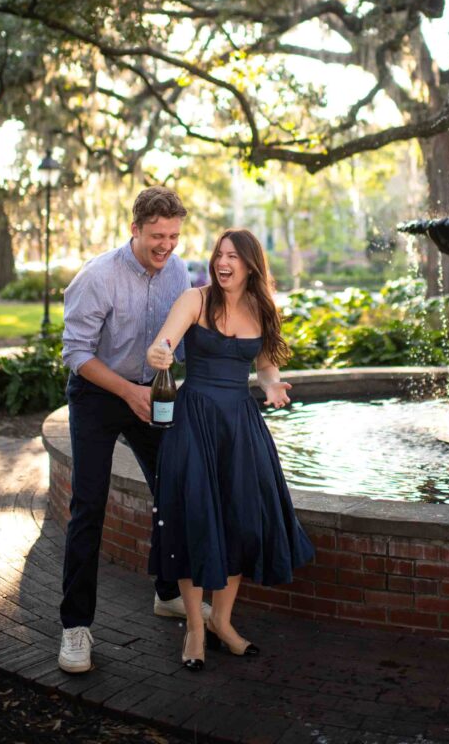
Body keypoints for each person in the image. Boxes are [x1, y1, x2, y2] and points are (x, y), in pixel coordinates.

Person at [58, 185, 210, 674]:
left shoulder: (178, 271)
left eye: (173, 235)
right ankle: (75, 627)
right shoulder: (97, 277)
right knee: (89, 505)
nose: (166, 245)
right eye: (156, 236)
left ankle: (167, 593)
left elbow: (182, 342)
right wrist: (127, 391)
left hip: (153, 395)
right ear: (134, 229)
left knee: (174, 492)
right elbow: (77, 354)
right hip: (100, 396)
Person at [146, 228, 314, 671]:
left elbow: (264, 366)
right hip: (194, 421)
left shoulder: (262, 308)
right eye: (219, 254)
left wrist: (273, 386)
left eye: (234, 257)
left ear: (251, 265)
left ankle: (221, 621)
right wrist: (159, 354)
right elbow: (162, 344)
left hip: (240, 425)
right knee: (193, 519)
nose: (224, 263)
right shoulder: (195, 301)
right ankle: (195, 630)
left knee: (242, 522)